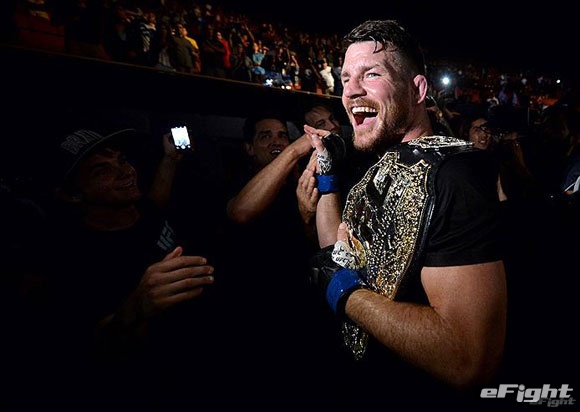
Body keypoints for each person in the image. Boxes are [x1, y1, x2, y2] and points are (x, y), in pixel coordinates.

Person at [306, 20, 507, 408]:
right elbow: (338, 256)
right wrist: (327, 177)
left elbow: (468, 359)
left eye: (372, 74)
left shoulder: (453, 177)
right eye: (346, 78)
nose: (351, 90)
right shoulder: (379, 160)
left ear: (417, 90)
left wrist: (345, 294)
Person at [44, 122, 217, 411]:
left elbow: (157, 199)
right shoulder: (73, 259)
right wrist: (137, 307)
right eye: (102, 171)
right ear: (72, 194)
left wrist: (170, 159)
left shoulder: (142, 210)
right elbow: (87, 351)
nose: (125, 171)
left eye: (121, 160)